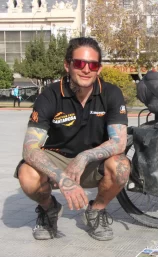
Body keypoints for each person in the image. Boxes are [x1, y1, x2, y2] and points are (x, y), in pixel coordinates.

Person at [14, 37, 130, 241]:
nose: (86, 69)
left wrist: (84, 156)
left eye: (92, 65)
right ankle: (49, 209)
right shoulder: (49, 95)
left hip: (92, 161)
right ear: (67, 65)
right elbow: (30, 148)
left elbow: (119, 142)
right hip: (56, 159)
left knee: (121, 166)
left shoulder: (111, 93)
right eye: (79, 63)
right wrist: (63, 178)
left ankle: (96, 210)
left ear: (99, 69)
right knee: (26, 173)